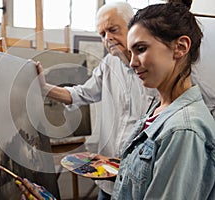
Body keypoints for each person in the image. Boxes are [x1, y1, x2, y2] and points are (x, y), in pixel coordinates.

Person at [36, 2, 156, 199]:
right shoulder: (109, 64)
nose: (107, 38)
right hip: (107, 177)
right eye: (102, 34)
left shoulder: (154, 66)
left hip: (140, 180)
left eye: (113, 29)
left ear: (134, 26)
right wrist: (44, 88)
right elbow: (80, 93)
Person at [112, 2, 215, 199]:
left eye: (140, 49)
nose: (132, 62)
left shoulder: (184, 130)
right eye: (131, 52)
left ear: (180, 47)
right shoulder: (159, 108)